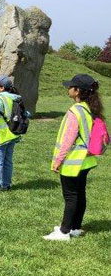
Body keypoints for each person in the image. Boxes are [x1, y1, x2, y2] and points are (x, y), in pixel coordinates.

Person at [44, 74, 104, 241]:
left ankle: (64, 231)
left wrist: (57, 161)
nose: (68, 89)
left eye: (71, 86)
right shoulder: (89, 108)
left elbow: (67, 140)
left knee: (71, 196)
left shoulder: (75, 111)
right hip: (87, 160)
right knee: (80, 193)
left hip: (73, 161)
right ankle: (75, 227)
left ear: (77, 91)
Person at [0, 75, 22, 192]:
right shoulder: (16, 98)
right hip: (12, 133)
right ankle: (6, 185)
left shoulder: (0, 99)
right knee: (8, 160)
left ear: (2, 88)